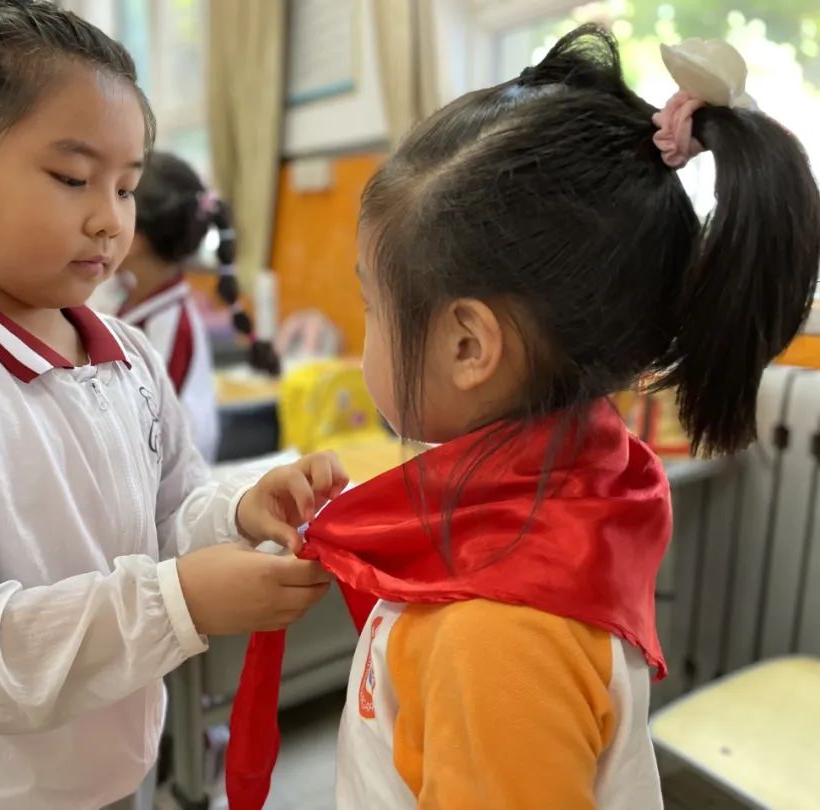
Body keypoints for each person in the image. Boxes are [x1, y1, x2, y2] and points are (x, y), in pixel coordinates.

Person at [224, 25, 820, 810]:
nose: (366, 328)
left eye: (373, 304)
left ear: (469, 344)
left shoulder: (494, 639)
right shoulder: (588, 478)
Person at [0, 2, 346, 808]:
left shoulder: (126, 354)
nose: (107, 219)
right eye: (71, 178)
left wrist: (237, 513)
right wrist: (177, 600)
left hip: (110, 775)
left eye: (126, 187)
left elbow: (167, 510)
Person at [117, 152, 279, 462]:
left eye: (118, 196)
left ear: (135, 237)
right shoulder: (139, 304)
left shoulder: (168, 328)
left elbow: (148, 436)